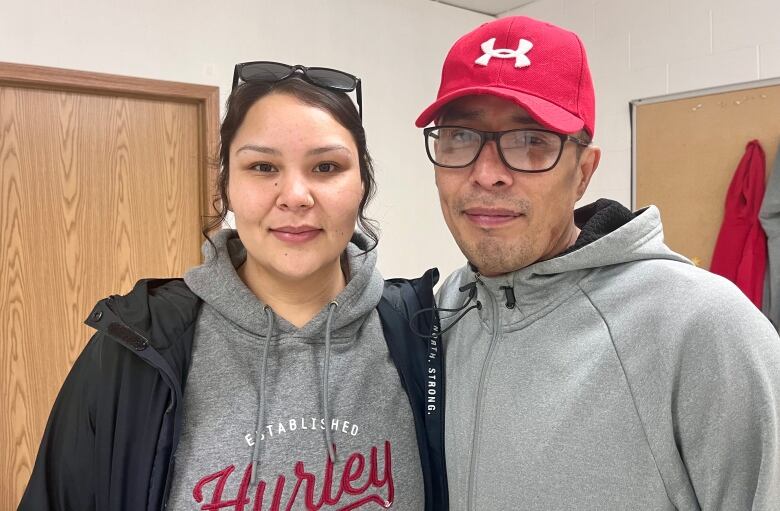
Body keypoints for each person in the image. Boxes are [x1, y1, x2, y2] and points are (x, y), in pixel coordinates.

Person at [19, 62, 447, 510]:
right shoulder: (134, 349)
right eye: (263, 166)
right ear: (226, 184)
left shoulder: (421, 335)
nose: (295, 195)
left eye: (326, 166)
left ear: (362, 184)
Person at [415, 15, 780, 510]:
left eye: (530, 142)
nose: (487, 174)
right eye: (460, 137)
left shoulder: (702, 327)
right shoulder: (445, 311)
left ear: (583, 172)